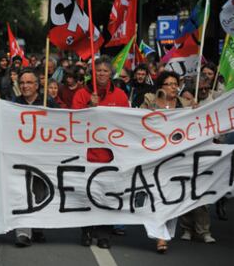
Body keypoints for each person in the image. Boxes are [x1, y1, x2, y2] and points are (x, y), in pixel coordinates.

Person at [72, 55, 129, 249]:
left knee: (107, 195)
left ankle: (104, 234)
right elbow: (73, 121)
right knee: (86, 194)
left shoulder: (120, 95)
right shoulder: (81, 94)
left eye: (106, 70)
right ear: (92, 73)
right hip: (87, 154)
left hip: (110, 155)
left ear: (111, 74)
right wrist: (90, 107)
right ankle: (87, 231)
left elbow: (126, 122)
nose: (102, 74)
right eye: (99, 71)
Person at [140, 71, 192, 254]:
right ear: (160, 86)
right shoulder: (150, 101)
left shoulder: (184, 104)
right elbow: (137, 121)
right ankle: (160, 237)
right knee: (156, 196)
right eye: (168, 84)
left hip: (177, 159)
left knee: (173, 198)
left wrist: (196, 107)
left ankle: (165, 233)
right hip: (155, 158)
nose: (172, 87)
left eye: (175, 83)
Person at [13, 68, 58, 247]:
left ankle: (37, 226)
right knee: (23, 192)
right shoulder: (14, 104)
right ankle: (23, 231)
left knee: (40, 191)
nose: (25, 86)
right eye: (22, 83)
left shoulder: (49, 103)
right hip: (20, 155)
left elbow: (62, 125)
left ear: (37, 86)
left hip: (42, 156)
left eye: (29, 82)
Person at [179, 74, 216, 244]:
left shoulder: (215, 100)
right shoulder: (185, 101)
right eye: (200, 88)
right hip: (187, 154)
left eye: (205, 88)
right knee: (186, 192)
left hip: (206, 154)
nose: (203, 91)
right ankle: (187, 228)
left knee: (202, 194)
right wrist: (189, 108)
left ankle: (203, 230)